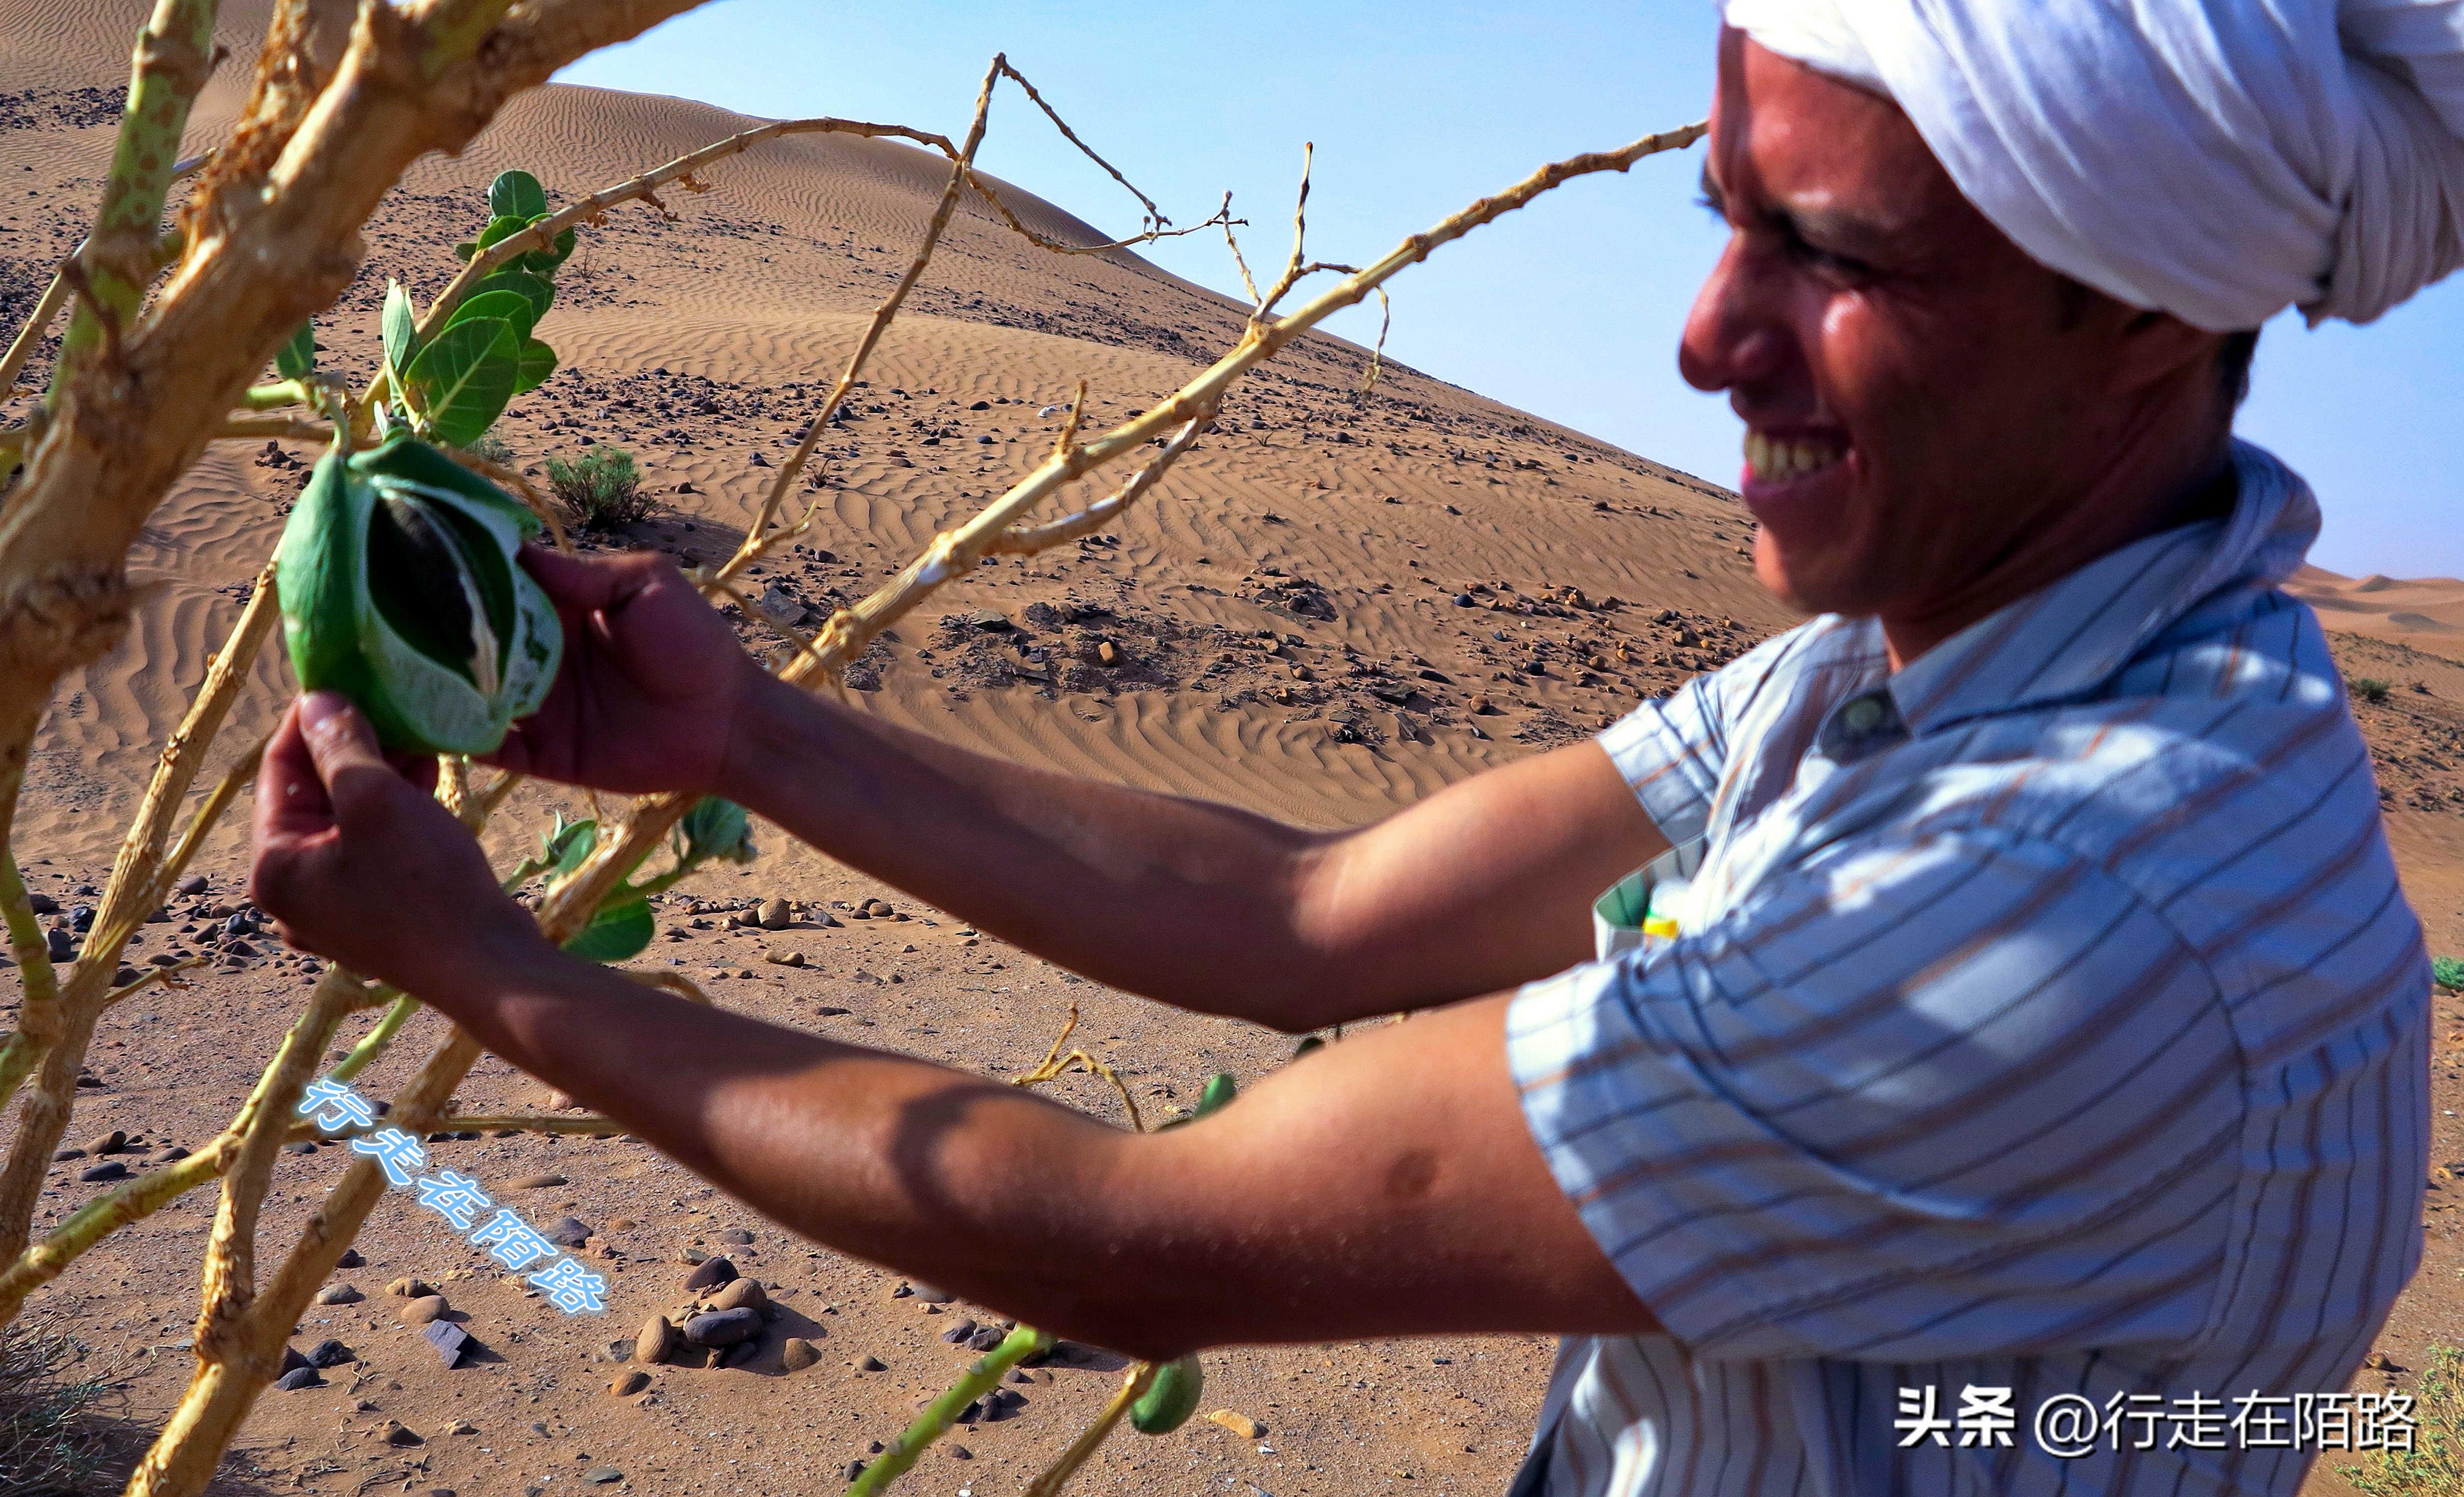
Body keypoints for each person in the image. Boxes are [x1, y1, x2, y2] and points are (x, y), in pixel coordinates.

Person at [250, 1, 2464, 1491]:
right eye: (1721, 210)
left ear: (2148, 327)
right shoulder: (1907, 674)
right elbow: (1306, 916)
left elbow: (1131, 1241)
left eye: (1834, 257)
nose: (1705, 339)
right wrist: (747, 732)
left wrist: (494, 972)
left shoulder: (2051, 903)